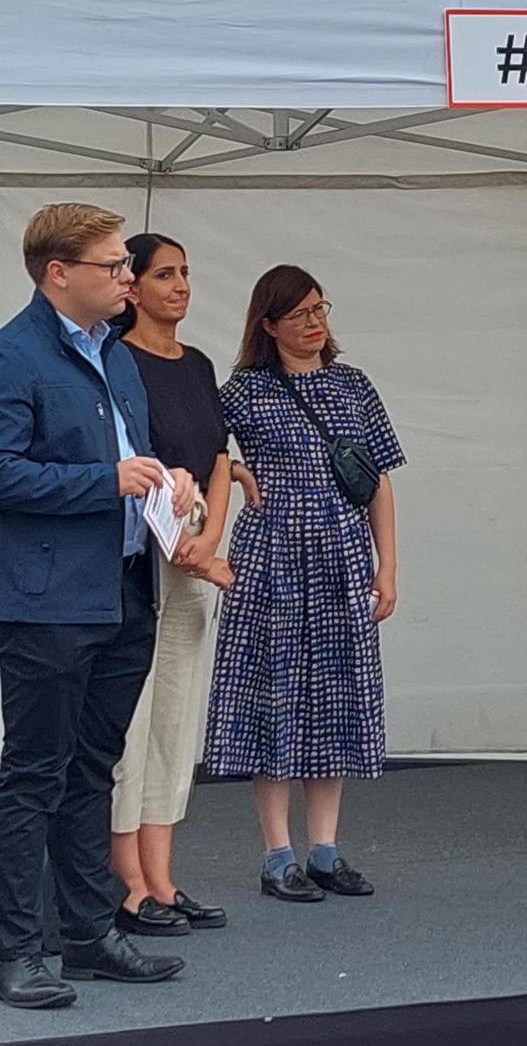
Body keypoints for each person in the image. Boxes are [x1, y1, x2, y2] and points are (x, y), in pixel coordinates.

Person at [0, 205, 195, 1011]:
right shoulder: (14, 355)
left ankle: (86, 933)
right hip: (47, 600)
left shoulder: (114, 354)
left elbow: (131, 458)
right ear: (58, 273)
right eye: (113, 266)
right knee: (34, 774)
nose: (126, 277)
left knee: (93, 767)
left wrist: (169, 482)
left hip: (124, 586)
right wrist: (104, 482)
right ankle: (17, 949)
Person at [202, 265, 405, 903]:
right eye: (299, 314)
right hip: (272, 558)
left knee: (335, 697)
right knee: (275, 697)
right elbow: (196, 450)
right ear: (268, 325)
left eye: (320, 309)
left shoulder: (352, 385)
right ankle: (277, 855)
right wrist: (236, 471)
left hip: (342, 556)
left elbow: (377, 481)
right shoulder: (243, 391)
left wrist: (387, 566)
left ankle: (324, 850)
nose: (315, 323)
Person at [110, 232, 241, 938]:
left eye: (185, 272)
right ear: (131, 286)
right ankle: (127, 881)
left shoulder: (197, 364)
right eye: (165, 274)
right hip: (141, 548)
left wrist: (210, 537)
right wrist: (186, 546)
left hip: (195, 542)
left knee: (177, 713)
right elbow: (132, 463)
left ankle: (162, 875)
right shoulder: (115, 360)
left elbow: (218, 457)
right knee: (131, 716)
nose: (181, 285)